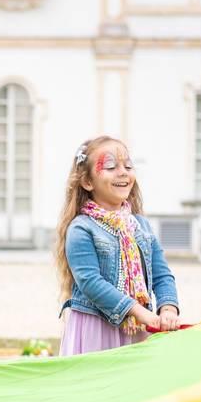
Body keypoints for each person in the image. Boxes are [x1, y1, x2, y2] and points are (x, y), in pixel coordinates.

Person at [54, 135, 181, 356]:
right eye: (111, 166)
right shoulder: (81, 228)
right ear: (87, 182)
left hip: (137, 327)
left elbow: (162, 275)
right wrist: (139, 311)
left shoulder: (141, 226)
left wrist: (168, 307)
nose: (123, 172)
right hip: (97, 328)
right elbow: (90, 282)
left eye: (128, 165)